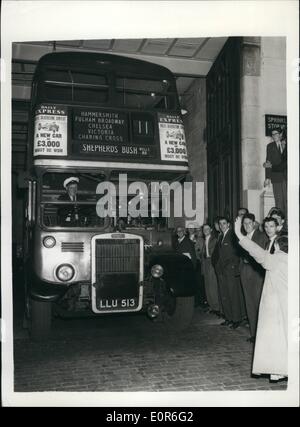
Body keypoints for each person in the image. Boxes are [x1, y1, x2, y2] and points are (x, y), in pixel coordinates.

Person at [234, 216, 288, 382]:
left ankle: (281, 368)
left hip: (279, 302)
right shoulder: (288, 257)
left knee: (278, 337)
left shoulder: (278, 258)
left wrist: (239, 233)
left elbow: (260, 254)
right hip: (285, 301)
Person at [212, 216, 245, 329]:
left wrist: (233, 266)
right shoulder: (221, 236)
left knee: (233, 294)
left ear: (229, 224)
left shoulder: (232, 235)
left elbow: (237, 252)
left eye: (224, 223)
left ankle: (236, 319)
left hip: (230, 269)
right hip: (222, 270)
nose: (222, 226)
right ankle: (229, 317)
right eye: (220, 224)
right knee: (224, 294)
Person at [239, 213, 268, 342]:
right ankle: (253, 333)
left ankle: (260, 335)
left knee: (257, 303)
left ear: (254, 223)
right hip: (245, 271)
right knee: (249, 303)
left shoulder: (261, 237)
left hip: (256, 272)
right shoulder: (243, 238)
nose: (247, 226)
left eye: (249, 223)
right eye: (244, 224)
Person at [263, 127, 287, 215]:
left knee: (288, 200)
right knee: (279, 201)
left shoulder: (287, 144)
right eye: (272, 134)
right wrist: (267, 177)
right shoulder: (270, 146)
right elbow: (268, 162)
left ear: (280, 134)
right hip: (276, 176)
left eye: (276, 134)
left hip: (287, 177)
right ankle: (281, 222)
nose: (274, 136)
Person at [200, 224, 220, 315]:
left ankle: (216, 307)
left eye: (207, 228)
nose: (205, 230)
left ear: (211, 230)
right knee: (207, 285)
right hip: (205, 264)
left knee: (213, 286)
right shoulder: (203, 240)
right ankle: (211, 306)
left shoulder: (214, 240)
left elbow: (215, 254)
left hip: (211, 263)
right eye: (204, 229)